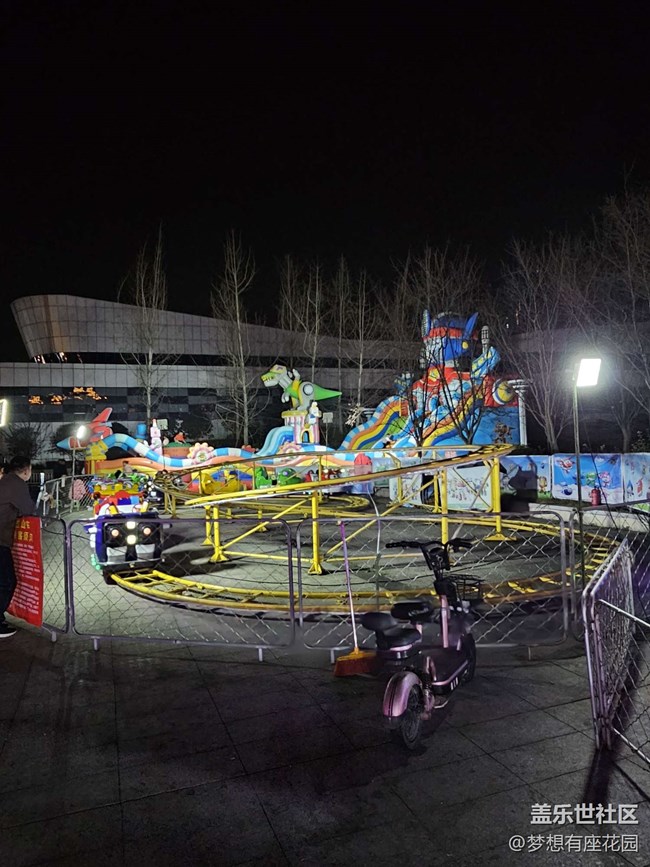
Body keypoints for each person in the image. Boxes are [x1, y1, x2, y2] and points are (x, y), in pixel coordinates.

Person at [0, 456, 36, 638]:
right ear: (26, 470)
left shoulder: (5, 481)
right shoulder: (16, 484)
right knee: (7, 581)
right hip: (0, 541)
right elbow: (29, 510)